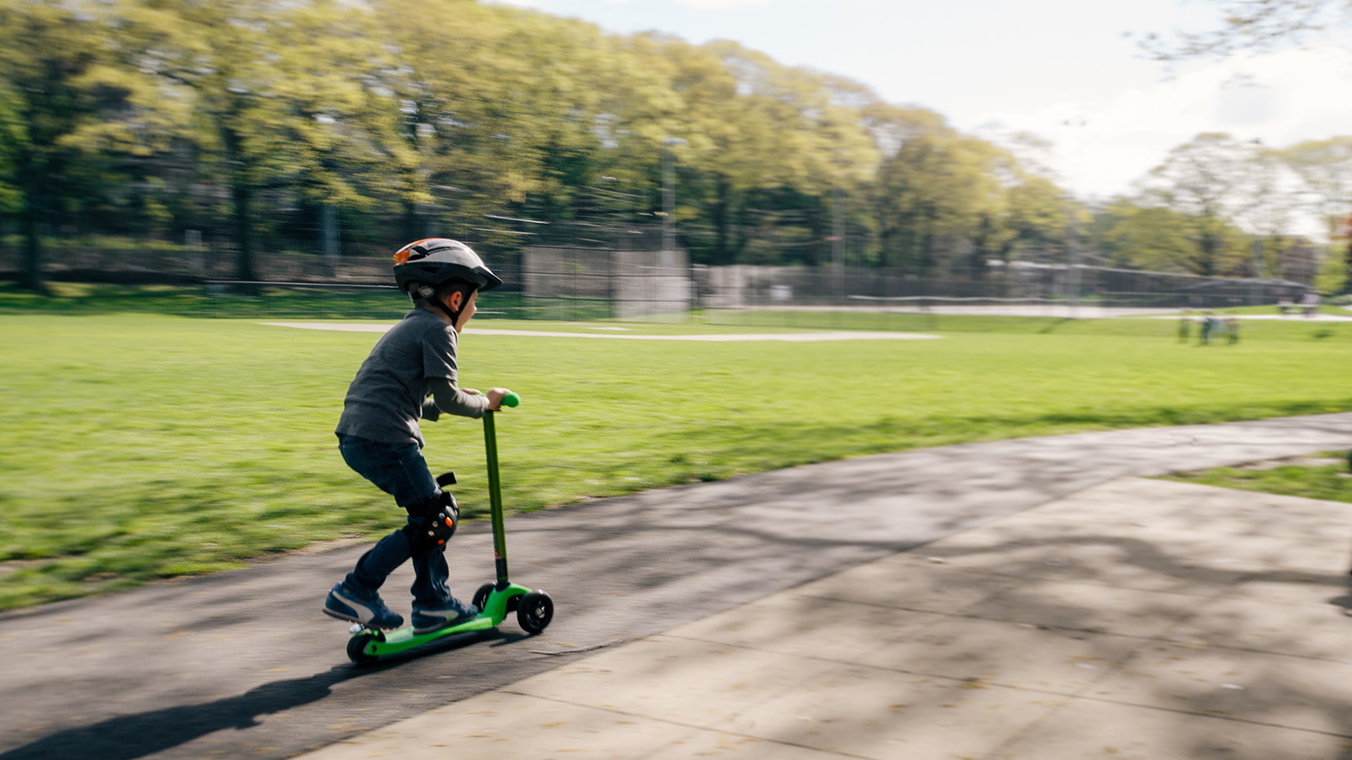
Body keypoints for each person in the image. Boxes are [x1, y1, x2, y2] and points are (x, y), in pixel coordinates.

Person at [322, 238, 512, 633]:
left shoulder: (411, 326)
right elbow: (447, 397)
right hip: (385, 438)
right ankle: (360, 590)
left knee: (429, 516)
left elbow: (412, 399)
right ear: (456, 299)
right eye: (475, 303)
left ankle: (431, 603)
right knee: (437, 518)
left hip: (360, 434)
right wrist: (485, 404)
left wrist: (450, 402)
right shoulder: (440, 331)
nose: (474, 311)